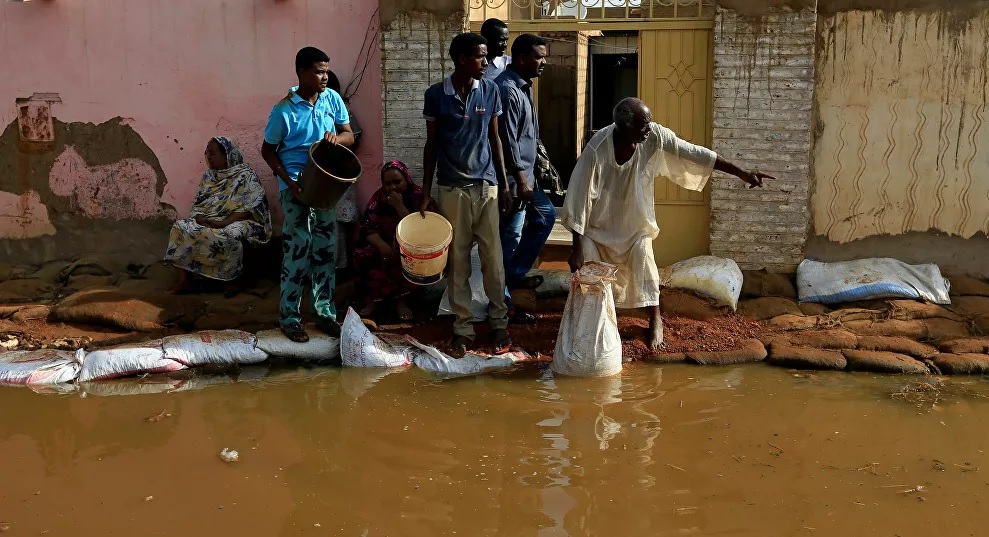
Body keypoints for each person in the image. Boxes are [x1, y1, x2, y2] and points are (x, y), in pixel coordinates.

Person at [560, 97, 774, 350]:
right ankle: (601, 325)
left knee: (646, 266)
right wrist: (576, 247)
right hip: (597, 228)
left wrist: (741, 172)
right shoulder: (596, 150)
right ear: (624, 127)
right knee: (595, 277)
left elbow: (694, 152)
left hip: (635, 225)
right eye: (642, 126)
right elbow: (578, 197)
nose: (648, 129)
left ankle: (655, 319)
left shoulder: (654, 136)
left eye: (649, 124)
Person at [421, 32, 513, 358]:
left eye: (486, 56)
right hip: (451, 189)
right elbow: (431, 145)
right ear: (462, 59)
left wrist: (504, 185)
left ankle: (499, 323)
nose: (486, 63)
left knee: (493, 260)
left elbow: (496, 140)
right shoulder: (436, 95)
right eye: (480, 57)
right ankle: (462, 328)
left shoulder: (491, 91)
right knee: (457, 263)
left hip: (487, 188)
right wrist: (425, 192)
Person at [261, 46, 356, 343]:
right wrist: (289, 182)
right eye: (318, 71)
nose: (325, 76)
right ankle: (289, 318)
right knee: (297, 249)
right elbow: (268, 150)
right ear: (302, 72)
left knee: (325, 249)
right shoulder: (283, 110)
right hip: (296, 187)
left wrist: (336, 138)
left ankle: (324, 314)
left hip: (325, 185)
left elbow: (349, 135)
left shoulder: (333, 99)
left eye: (326, 70)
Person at [495, 34, 556, 324]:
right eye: (538, 57)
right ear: (521, 58)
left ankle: (515, 275)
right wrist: (520, 180)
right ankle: (504, 303)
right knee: (509, 238)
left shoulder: (524, 87)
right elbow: (506, 141)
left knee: (545, 217)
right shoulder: (507, 90)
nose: (543, 62)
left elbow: (529, 137)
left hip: (527, 178)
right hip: (512, 181)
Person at [164, 136, 272, 296]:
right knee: (180, 227)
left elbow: (251, 206)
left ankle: (232, 280)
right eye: (207, 153)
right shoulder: (210, 176)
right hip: (212, 219)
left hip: (242, 220)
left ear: (227, 154)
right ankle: (185, 280)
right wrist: (200, 217)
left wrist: (225, 222)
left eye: (213, 153)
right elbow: (200, 203)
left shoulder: (245, 175)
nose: (208, 156)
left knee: (230, 234)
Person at [353, 160, 438, 321]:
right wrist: (382, 246)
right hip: (384, 244)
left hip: (411, 245)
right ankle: (372, 300)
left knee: (408, 258)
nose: (392, 187)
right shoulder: (379, 198)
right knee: (362, 255)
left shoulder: (419, 198)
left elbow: (424, 231)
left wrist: (400, 207)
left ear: (406, 179)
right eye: (388, 184)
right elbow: (368, 227)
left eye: (397, 182)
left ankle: (401, 301)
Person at [326, 69, 364, 276]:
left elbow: (354, 138)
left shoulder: (342, 111)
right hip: (315, 175)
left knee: (337, 224)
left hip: (338, 174)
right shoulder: (303, 111)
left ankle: (339, 269)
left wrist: (334, 142)